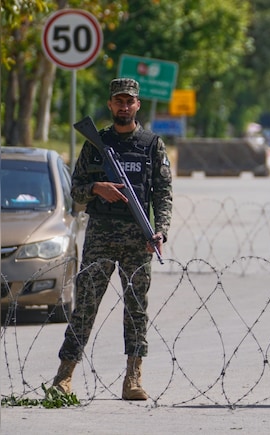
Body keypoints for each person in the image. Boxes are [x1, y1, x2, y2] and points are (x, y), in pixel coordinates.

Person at [51, 78, 173, 401]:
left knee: (136, 309)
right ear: (110, 105)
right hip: (101, 235)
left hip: (138, 238)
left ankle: (133, 377)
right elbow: (75, 189)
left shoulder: (151, 145)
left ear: (137, 105)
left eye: (129, 101)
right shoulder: (95, 143)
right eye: (118, 101)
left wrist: (160, 230)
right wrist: (97, 188)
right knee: (86, 305)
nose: (123, 106)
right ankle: (64, 374)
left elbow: (163, 194)